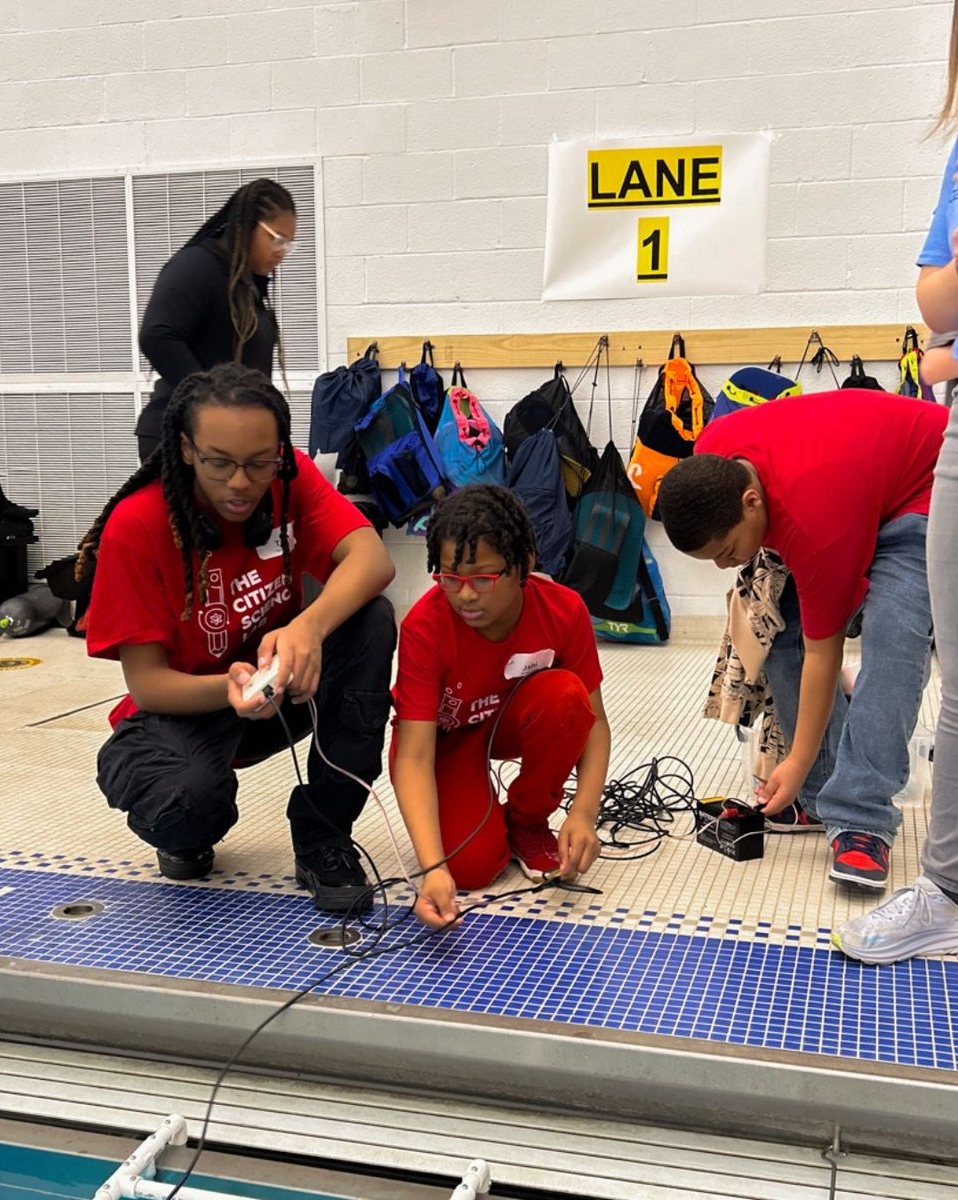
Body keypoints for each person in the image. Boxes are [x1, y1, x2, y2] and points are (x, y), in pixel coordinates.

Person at [77, 363, 396, 914]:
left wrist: (307, 627)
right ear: (184, 450)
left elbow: (372, 558)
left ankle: (323, 836)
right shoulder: (138, 524)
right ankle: (184, 827)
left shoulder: (289, 477)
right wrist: (229, 687)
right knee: (188, 804)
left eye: (257, 463)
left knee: (371, 620)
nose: (242, 483)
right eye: (219, 464)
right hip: (188, 706)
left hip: (282, 685)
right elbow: (149, 686)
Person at [657, 389, 947, 893]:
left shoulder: (817, 523)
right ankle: (815, 795)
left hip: (926, 483)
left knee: (893, 645)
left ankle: (861, 817)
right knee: (778, 627)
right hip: (853, 477)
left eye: (726, 552)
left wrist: (793, 759)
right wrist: (801, 767)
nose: (726, 566)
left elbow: (823, 651)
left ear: (751, 501)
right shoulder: (714, 452)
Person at [835, 5, 958, 961]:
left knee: (899, 635)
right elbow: (933, 300)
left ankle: (857, 804)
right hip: (949, 443)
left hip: (918, 478)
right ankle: (945, 889)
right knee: (947, 678)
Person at [390, 485, 610, 930]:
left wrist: (584, 812)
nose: (466, 596)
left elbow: (595, 724)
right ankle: (486, 820)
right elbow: (413, 755)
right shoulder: (424, 627)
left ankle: (527, 820)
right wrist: (434, 869)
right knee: (470, 869)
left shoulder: (564, 610)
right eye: (449, 578)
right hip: (446, 742)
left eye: (483, 579)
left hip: (511, 720)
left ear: (524, 563)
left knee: (566, 697)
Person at [135, 178, 297, 463]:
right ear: (247, 226)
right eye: (277, 239)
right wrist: (210, 405)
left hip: (230, 444)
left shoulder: (246, 285)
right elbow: (157, 336)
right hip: (182, 440)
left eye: (288, 244)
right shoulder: (197, 266)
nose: (282, 251)